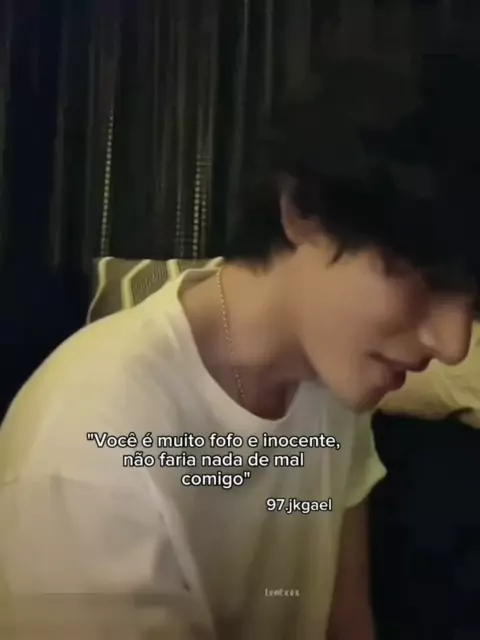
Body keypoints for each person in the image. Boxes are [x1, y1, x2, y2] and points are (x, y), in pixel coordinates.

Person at [1, 57, 480, 640]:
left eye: (476, 307)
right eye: (428, 279)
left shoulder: (335, 381)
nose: (454, 346)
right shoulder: (89, 447)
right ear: (303, 212)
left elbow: (347, 623)